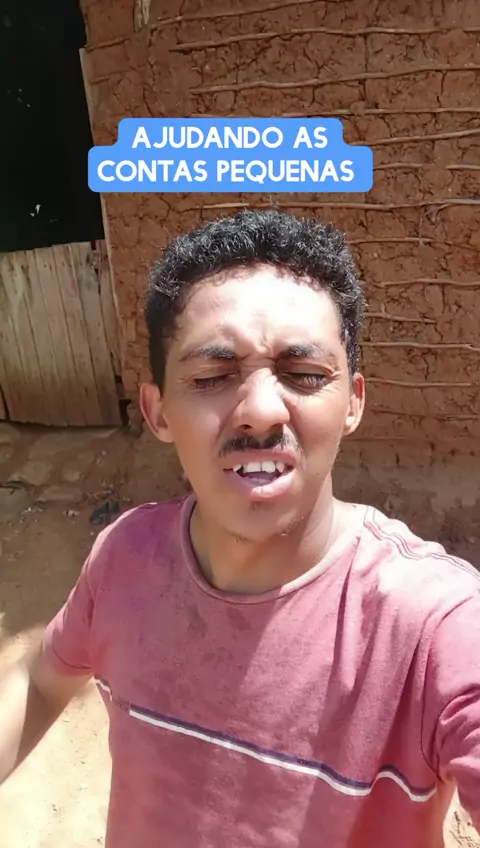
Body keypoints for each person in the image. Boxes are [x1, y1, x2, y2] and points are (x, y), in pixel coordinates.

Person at [0, 209, 479, 847]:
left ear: (354, 401)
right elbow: (40, 678)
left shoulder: (433, 629)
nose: (259, 410)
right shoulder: (125, 557)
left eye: (304, 375)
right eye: (211, 378)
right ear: (158, 412)